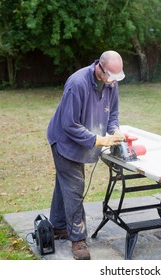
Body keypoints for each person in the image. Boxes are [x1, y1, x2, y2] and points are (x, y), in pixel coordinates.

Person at [46, 50, 126, 260]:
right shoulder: (77, 84)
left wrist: (115, 130)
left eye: (116, 77)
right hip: (64, 142)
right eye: (110, 76)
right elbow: (69, 124)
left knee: (64, 183)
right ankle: (78, 239)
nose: (113, 81)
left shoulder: (111, 83)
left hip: (83, 141)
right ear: (100, 68)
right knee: (74, 188)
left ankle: (58, 226)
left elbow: (113, 113)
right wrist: (98, 140)